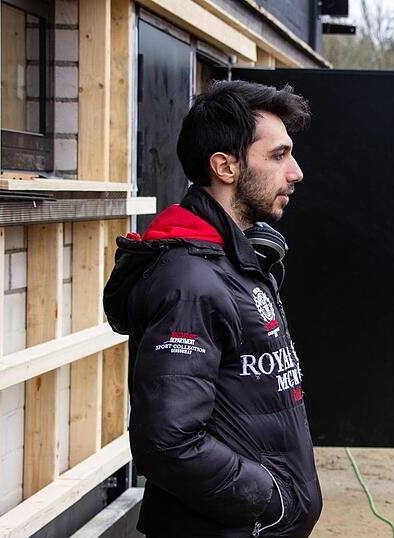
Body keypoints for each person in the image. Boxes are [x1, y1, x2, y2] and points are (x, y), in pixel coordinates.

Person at [103, 81, 321, 537]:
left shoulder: (236, 261)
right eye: (278, 156)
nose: (296, 171)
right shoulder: (190, 282)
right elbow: (167, 441)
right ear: (225, 166)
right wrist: (270, 500)